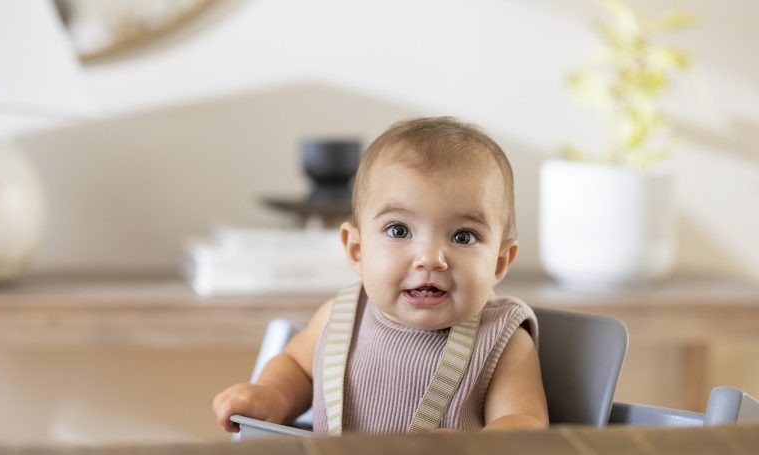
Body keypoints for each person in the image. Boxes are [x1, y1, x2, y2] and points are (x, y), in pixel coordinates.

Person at [213, 117, 548, 435]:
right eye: (399, 230)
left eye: (463, 236)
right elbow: (298, 369)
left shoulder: (501, 339)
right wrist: (272, 397)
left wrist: (474, 447)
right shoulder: (341, 316)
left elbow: (524, 423)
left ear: (500, 263)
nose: (430, 258)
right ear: (357, 250)